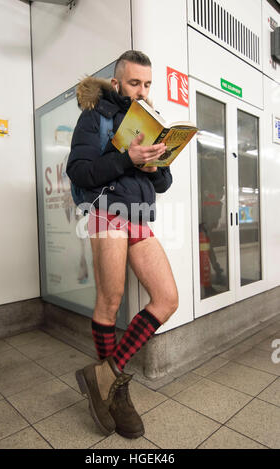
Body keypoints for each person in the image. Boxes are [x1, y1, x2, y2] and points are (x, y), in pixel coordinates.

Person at [66, 50, 179, 439]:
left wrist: (155, 166)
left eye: (147, 84)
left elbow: (163, 184)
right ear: (117, 83)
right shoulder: (94, 117)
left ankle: (105, 375)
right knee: (109, 302)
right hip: (107, 211)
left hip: (139, 216)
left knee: (167, 299)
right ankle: (115, 393)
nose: (142, 92)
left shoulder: (151, 122)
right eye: (134, 83)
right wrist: (126, 158)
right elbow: (79, 171)